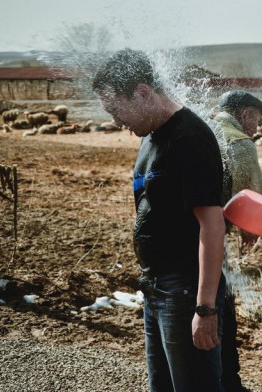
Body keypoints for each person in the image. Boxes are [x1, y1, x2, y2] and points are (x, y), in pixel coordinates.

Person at [92, 48, 227, 392]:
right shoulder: (151, 136)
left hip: (183, 292)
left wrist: (205, 308)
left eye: (116, 110)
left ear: (142, 93)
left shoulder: (189, 139)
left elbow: (212, 225)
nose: (116, 122)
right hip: (155, 289)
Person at [215, 89, 262, 392]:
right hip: (213, 236)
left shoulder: (201, 127)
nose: (257, 128)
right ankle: (228, 381)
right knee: (222, 305)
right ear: (245, 114)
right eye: (257, 120)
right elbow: (251, 192)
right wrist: (252, 230)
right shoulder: (240, 141)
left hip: (183, 235)